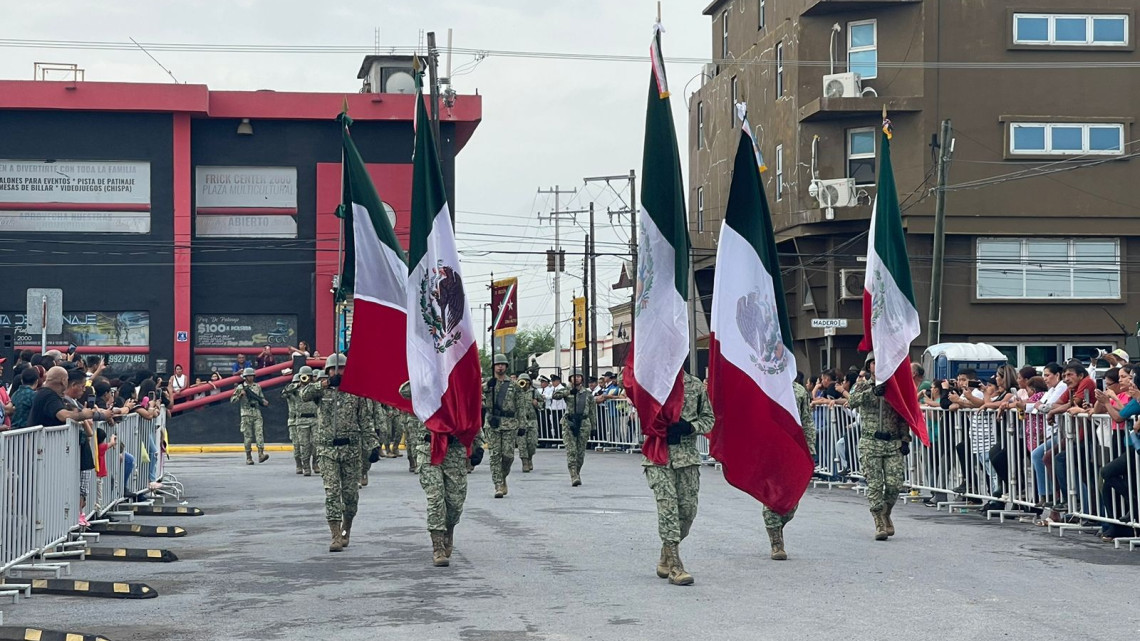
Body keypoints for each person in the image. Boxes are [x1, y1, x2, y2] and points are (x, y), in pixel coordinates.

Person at [301, 354, 379, 552]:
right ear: (327, 370)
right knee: (332, 492)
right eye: (334, 369)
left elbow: (365, 421)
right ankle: (335, 535)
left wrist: (373, 445)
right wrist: (325, 384)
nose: (338, 372)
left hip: (351, 450)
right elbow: (304, 394)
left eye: (342, 368)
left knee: (350, 495)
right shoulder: (322, 388)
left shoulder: (356, 392)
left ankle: (346, 528)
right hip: (327, 450)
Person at [643, 371, 714, 586]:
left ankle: (667, 551)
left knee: (687, 511)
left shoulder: (695, 385)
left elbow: (709, 418)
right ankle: (675, 566)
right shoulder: (651, 382)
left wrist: (691, 426)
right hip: (659, 456)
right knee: (669, 511)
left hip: (687, 458)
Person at [402, 380, 484, 566]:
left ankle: (449, 530)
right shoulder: (426, 384)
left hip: (455, 450)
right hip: (429, 448)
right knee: (436, 498)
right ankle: (437, 545)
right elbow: (404, 391)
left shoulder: (461, 384)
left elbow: (472, 415)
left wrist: (478, 443)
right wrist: (428, 374)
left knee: (455, 502)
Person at [849, 352, 911, 541]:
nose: (877, 365)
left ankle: (886, 512)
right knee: (875, 485)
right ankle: (878, 521)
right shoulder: (862, 385)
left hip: (892, 442)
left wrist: (905, 438)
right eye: (874, 362)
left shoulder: (895, 388)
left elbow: (903, 414)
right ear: (869, 366)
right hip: (870, 443)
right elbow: (851, 402)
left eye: (881, 361)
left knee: (894, 484)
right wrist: (872, 392)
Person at [763, 379, 817, 560]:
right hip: (771, 449)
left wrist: (810, 450)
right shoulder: (764, 385)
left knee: (792, 500)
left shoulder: (799, 391)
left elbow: (807, 421)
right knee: (772, 496)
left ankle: (777, 525)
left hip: (794, 451)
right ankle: (776, 543)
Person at [482, 353, 528, 498]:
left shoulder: (514, 385)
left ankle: (502, 476)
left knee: (508, 455)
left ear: (506, 367)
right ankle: (498, 485)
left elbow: (520, 406)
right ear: (493, 367)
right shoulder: (488, 384)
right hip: (493, 423)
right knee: (495, 455)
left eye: (502, 364)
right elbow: (474, 394)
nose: (500, 366)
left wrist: (522, 425)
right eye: (497, 364)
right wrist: (486, 387)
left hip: (509, 423)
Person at [554, 369, 595, 487]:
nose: (576, 378)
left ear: (582, 378)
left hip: (584, 423)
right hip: (569, 423)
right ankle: (573, 475)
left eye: (578, 376)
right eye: (574, 376)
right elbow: (555, 395)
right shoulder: (567, 390)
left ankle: (577, 471)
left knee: (580, 452)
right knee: (571, 450)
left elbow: (592, 411)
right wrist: (568, 392)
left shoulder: (587, 394)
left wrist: (594, 427)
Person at [231, 367, 269, 465]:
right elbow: (232, 400)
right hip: (246, 414)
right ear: (245, 377)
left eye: (252, 375)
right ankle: (248, 457)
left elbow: (261, 398)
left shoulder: (257, 387)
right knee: (248, 437)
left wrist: (263, 401)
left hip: (256, 412)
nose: (251, 377)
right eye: (249, 376)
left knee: (259, 434)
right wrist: (240, 395)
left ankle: (261, 454)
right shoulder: (240, 387)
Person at [292, 366, 319, 475]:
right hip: (302, 420)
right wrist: (297, 384)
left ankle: (315, 464)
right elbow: (284, 392)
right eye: (304, 376)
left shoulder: (314, 388)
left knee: (316, 443)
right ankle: (306, 466)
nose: (306, 378)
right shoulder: (296, 389)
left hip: (314, 419)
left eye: (308, 376)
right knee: (304, 445)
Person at [516, 373, 539, 472]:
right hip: (520, 421)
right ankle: (524, 462)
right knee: (522, 444)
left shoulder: (534, 392)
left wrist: (537, 404)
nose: (524, 384)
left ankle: (530, 458)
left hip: (532, 421)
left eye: (526, 381)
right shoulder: (516, 392)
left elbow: (543, 403)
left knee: (532, 443)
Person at [282, 372, 304, 474]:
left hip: (303, 420)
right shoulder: (289, 393)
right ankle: (299, 465)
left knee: (307, 444)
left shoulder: (305, 392)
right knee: (296, 445)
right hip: (293, 421)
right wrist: (296, 385)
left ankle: (311, 464)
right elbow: (284, 393)